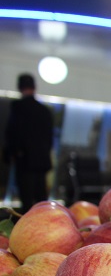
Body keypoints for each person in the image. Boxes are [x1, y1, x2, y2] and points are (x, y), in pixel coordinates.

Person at [3, 73, 54, 213]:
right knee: (42, 200)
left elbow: (13, 133)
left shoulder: (18, 107)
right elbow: (49, 137)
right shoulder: (44, 110)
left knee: (26, 201)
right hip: (41, 161)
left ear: (20, 87)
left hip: (24, 159)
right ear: (34, 87)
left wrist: (11, 154)